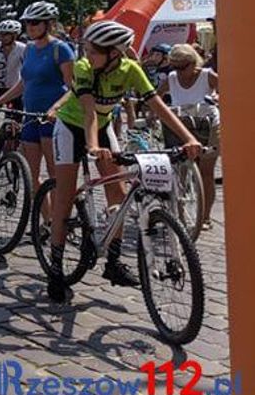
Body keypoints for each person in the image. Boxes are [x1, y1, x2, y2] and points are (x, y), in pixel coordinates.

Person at [44, 20, 202, 302]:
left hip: (102, 127)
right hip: (70, 126)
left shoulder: (131, 69)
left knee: (117, 196)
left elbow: (158, 106)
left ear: (115, 53)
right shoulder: (83, 68)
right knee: (64, 199)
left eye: (94, 51)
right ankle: (55, 271)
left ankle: (113, 263)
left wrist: (189, 138)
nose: (87, 56)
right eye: (87, 50)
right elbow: (89, 111)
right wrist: (93, 147)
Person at [0, 2, 75, 199]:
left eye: (35, 22)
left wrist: (55, 108)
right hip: (30, 118)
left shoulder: (61, 49)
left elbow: (74, 88)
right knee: (31, 175)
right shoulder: (29, 49)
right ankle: (44, 222)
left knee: (54, 175)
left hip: (52, 120)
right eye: (27, 23)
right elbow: (24, 83)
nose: (30, 27)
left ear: (49, 24)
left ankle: (58, 222)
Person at [156, 43, 220, 228]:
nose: (179, 71)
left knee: (207, 173)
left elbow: (227, 91)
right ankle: (181, 216)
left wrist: (216, 98)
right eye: (174, 66)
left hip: (208, 124)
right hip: (181, 126)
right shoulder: (172, 77)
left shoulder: (207, 75)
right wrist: (154, 113)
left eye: (182, 66)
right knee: (181, 172)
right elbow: (156, 96)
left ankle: (205, 217)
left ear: (193, 62)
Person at [0, 20, 26, 139]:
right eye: (1, 34)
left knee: (15, 123)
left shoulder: (22, 48)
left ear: (15, 35)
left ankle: (10, 149)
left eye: (6, 34)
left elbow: (27, 69)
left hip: (14, 89)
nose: (3, 37)